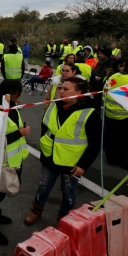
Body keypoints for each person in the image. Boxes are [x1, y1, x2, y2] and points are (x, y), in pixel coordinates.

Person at [25, 77, 101, 224]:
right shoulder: (55, 105)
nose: (61, 92)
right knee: (44, 186)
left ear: (78, 92)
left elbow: (95, 144)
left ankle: (64, 218)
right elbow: (45, 126)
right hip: (50, 155)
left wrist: (83, 165)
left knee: (68, 192)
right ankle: (36, 211)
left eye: (66, 89)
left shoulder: (90, 113)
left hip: (71, 162)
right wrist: (43, 143)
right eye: (61, 88)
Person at [0, 80, 30, 244]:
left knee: (0, 196)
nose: (22, 95)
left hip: (13, 162)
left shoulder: (11, 107)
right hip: (1, 165)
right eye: (19, 92)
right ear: (11, 94)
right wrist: (19, 133)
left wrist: (20, 132)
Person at [103, 57, 128, 171]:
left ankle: (110, 158)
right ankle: (122, 160)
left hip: (109, 113)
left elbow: (104, 91)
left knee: (111, 137)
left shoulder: (114, 76)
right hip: (124, 115)